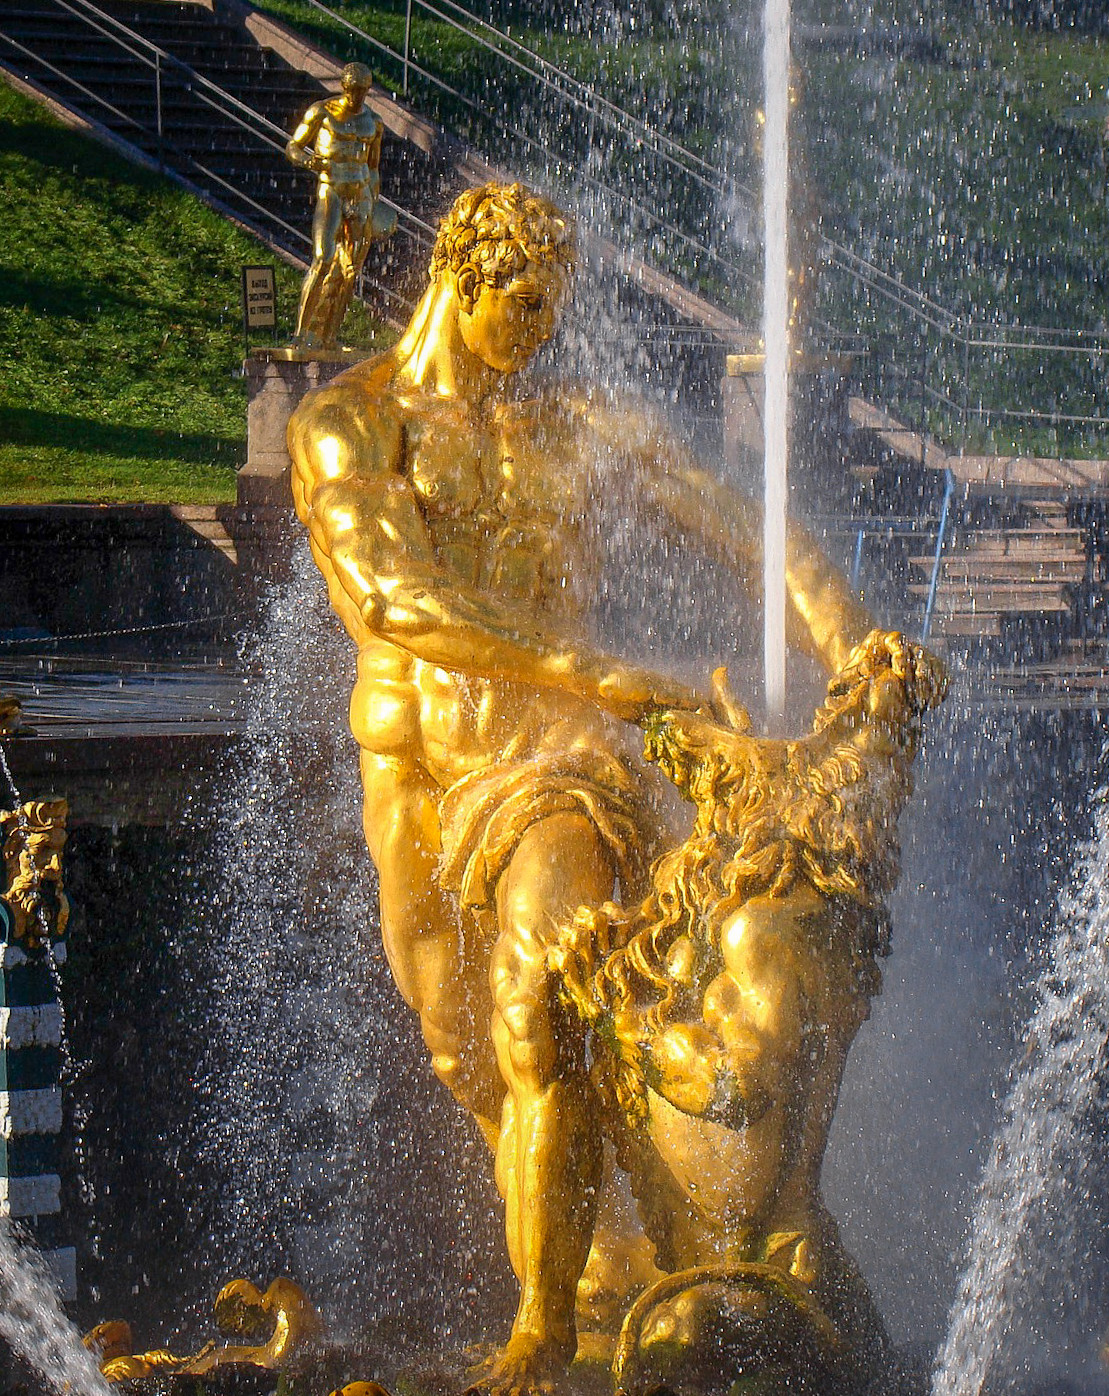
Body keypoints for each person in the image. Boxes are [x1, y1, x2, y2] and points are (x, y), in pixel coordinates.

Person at [285, 183, 870, 1394]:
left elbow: (745, 526)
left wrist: (850, 635)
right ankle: (610, 1266)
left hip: (559, 765)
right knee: (465, 1053)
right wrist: (599, 668)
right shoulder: (354, 425)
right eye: (524, 306)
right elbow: (395, 600)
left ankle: (546, 1324)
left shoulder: (572, 424)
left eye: (553, 312)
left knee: (543, 984)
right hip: (421, 768)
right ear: (465, 275)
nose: (537, 335)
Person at [285, 63, 388, 350]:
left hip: (362, 193)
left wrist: (375, 201)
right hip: (332, 188)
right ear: (344, 87)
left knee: (350, 269)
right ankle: (301, 334)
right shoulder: (323, 112)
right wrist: (307, 161)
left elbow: (374, 166)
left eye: (363, 91)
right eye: (353, 91)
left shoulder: (374, 122)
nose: (357, 97)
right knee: (323, 257)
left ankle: (328, 336)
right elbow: (293, 146)